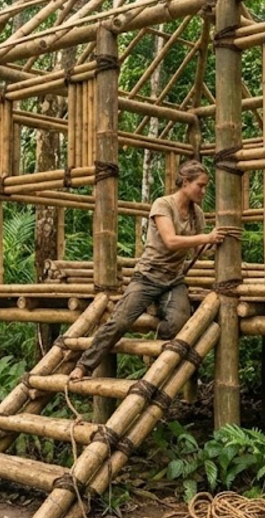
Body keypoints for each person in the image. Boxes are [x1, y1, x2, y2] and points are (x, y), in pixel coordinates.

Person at [68, 160, 239, 381]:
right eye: (200, 185)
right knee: (119, 322)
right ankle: (84, 366)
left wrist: (215, 243)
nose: (204, 191)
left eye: (205, 186)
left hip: (173, 280)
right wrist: (206, 237)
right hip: (147, 277)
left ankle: (155, 357)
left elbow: (198, 249)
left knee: (179, 323)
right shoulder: (162, 205)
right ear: (185, 182)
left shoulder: (197, 213)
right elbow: (170, 241)